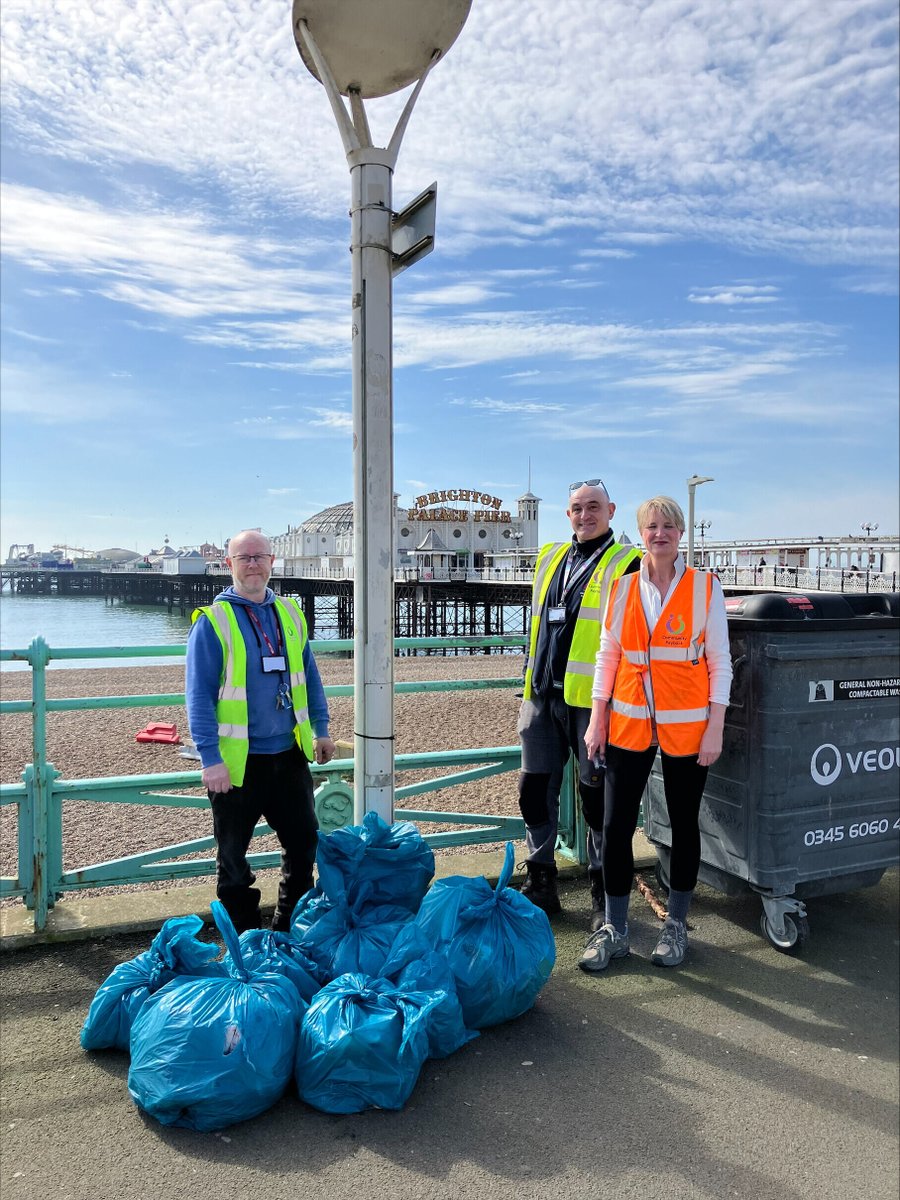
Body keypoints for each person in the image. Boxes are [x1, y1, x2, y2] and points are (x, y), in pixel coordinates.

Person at [582, 496, 732, 971]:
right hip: (628, 723)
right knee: (615, 826)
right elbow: (608, 657)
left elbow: (720, 664)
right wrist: (596, 717)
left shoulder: (706, 588)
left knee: (686, 825)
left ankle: (676, 926)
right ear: (641, 533)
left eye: (668, 525)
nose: (660, 533)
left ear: (681, 533)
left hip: (688, 730)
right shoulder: (622, 588)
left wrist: (715, 728)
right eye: (651, 526)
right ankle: (616, 929)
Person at [185, 529, 335, 933]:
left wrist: (321, 728)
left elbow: (310, 678)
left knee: (304, 847)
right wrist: (210, 759)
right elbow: (198, 696)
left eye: (259, 556)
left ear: (272, 562)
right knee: (233, 861)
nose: (252, 564)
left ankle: (288, 930)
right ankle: (248, 940)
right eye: (243, 557)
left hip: (288, 755)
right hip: (237, 765)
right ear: (228, 565)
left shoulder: (289, 614)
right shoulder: (213, 622)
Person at [516, 479, 642, 925]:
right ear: (566, 513)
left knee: (595, 797)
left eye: (593, 507)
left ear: (611, 510)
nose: (584, 515)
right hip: (541, 691)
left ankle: (601, 890)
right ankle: (542, 880)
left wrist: (610, 706)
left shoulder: (628, 562)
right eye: (576, 508)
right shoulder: (549, 557)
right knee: (534, 790)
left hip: (593, 702)